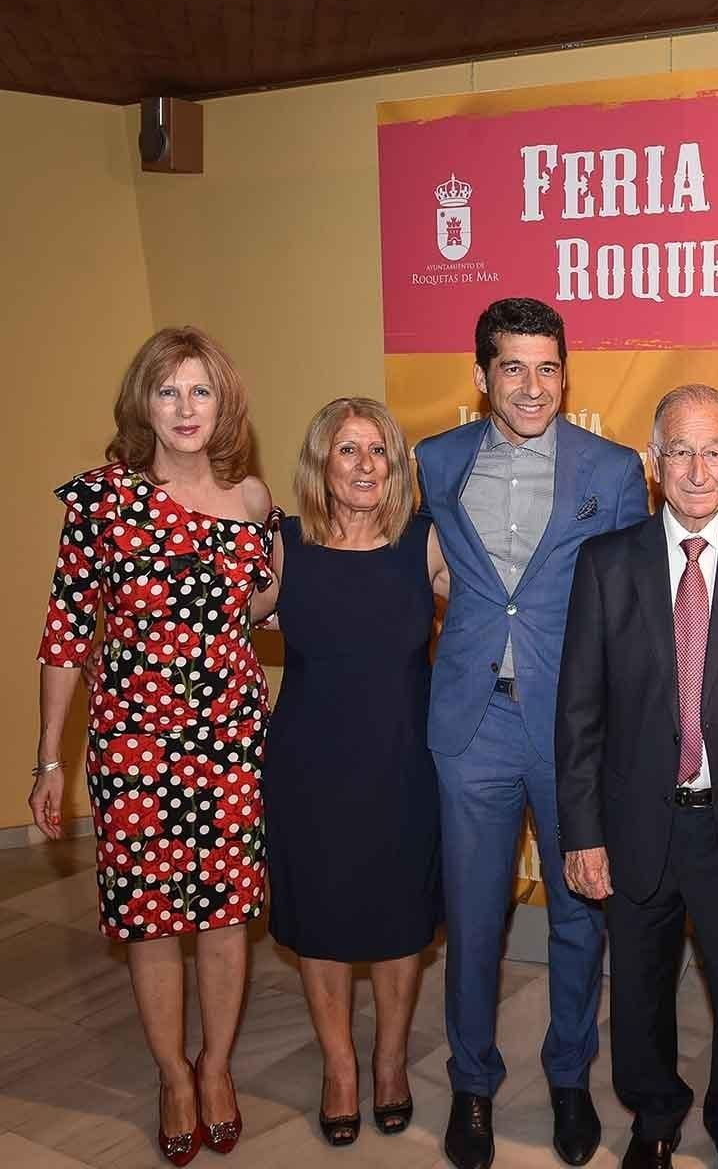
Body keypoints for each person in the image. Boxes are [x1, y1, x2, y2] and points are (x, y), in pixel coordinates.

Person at [29, 327, 277, 1165]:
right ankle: (173, 1074)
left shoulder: (249, 497)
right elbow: (65, 632)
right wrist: (48, 758)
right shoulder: (102, 498)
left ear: (224, 403)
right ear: (143, 401)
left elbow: (263, 602)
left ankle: (217, 1068)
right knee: (150, 920)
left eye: (200, 391)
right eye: (167, 391)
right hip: (134, 740)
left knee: (225, 918)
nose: (184, 408)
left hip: (231, 739)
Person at [557, 385, 718, 1169]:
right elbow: (578, 713)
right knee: (638, 993)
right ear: (652, 462)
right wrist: (582, 834)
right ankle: (655, 1119)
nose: (697, 469)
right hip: (639, 821)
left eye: (713, 451)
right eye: (680, 449)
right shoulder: (606, 563)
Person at [416, 297, 649, 1169]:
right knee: (472, 917)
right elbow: (408, 564)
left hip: (575, 728)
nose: (531, 385)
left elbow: (634, 609)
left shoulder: (614, 470)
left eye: (547, 367)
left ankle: (568, 1078)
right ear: (481, 376)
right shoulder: (434, 462)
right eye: (512, 366)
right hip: (471, 722)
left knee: (580, 910)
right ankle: (472, 1085)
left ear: (565, 374)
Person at [259, 397, 451, 1146]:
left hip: (405, 762)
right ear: (321, 464)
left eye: (380, 451)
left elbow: (495, 621)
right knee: (323, 925)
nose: (366, 465)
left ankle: (391, 1061)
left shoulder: (425, 544)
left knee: (402, 924)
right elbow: (211, 620)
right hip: (309, 767)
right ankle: (341, 1069)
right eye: (349, 450)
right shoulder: (284, 546)